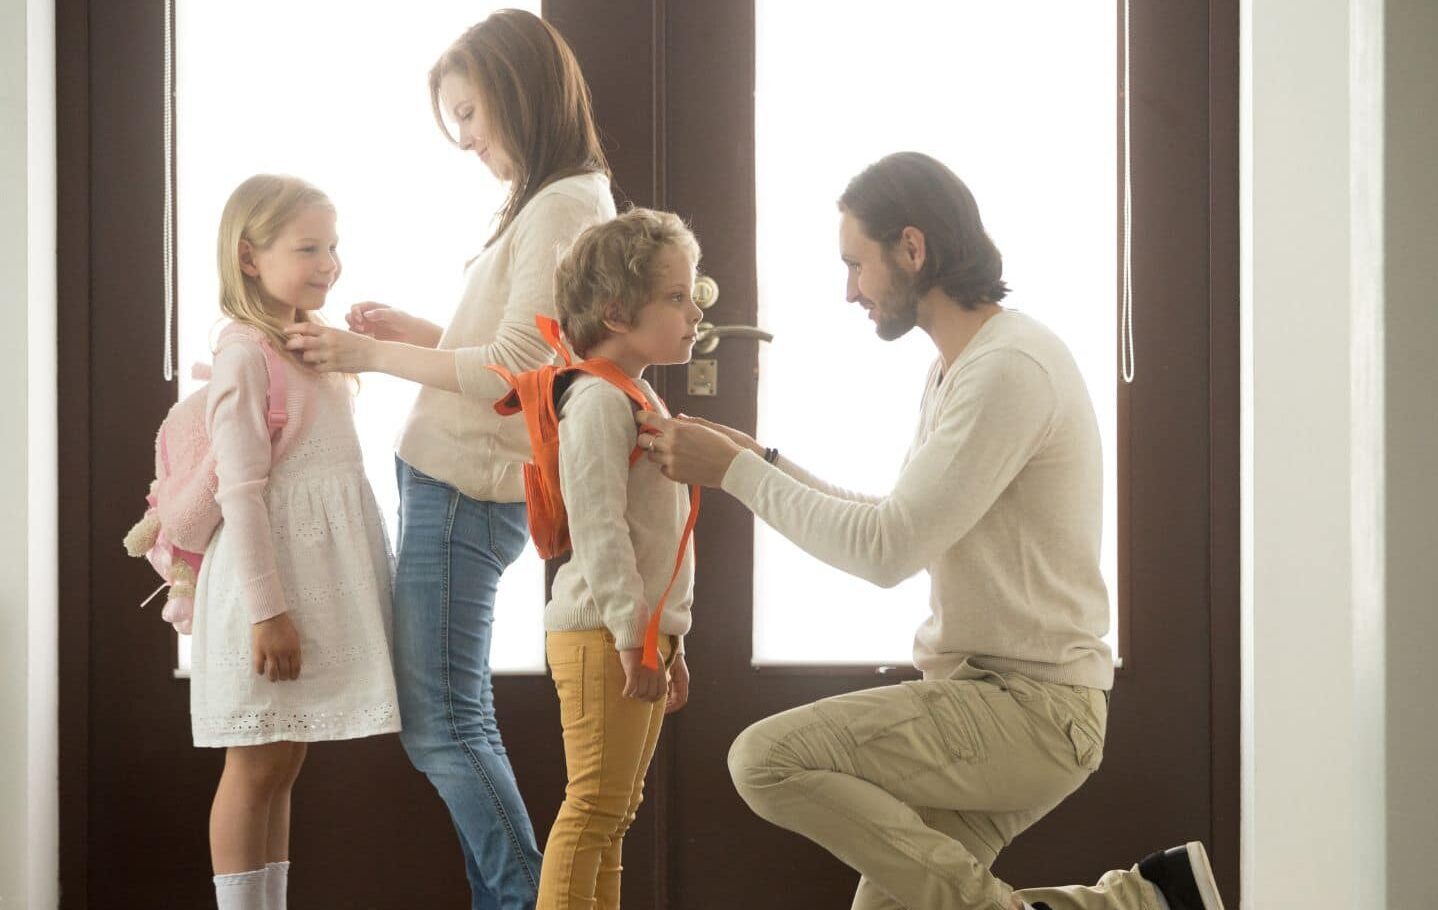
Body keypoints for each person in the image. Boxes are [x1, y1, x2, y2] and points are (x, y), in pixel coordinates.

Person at [635, 152, 1226, 910]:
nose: (849, 290)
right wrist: (764, 460)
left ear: (912, 249)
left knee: (764, 760)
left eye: (856, 264)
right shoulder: (960, 367)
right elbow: (900, 522)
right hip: (1001, 700)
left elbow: (886, 552)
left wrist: (736, 476)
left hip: (1031, 710)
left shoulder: (1009, 370)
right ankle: (1148, 900)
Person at [283, 11, 616, 909]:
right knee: (450, 720)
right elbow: (518, 349)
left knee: (444, 726)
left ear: (518, 94)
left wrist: (366, 357)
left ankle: (522, 902)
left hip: (467, 488)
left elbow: (517, 369)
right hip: (459, 482)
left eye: (470, 114)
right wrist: (419, 333)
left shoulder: (562, 205)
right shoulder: (552, 199)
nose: (465, 139)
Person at [194, 174, 400, 910]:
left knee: (284, 760)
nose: (328, 263)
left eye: (333, 245)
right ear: (250, 257)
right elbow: (241, 494)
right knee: (254, 766)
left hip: (309, 591)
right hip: (269, 592)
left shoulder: (306, 345)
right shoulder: (245, 354)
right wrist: (266, 611)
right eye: (308, 247)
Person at [536, 208, 703, 909]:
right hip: (604, 632)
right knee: (594, 811)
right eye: (675, 297)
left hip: (634, 632)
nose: (694, 311)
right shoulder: (599, 401)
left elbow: (650, 537)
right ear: (615, 312)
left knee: (616, 815)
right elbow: (600, 529)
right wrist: (637, 637)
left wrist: (671, 639)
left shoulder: (638, 392)